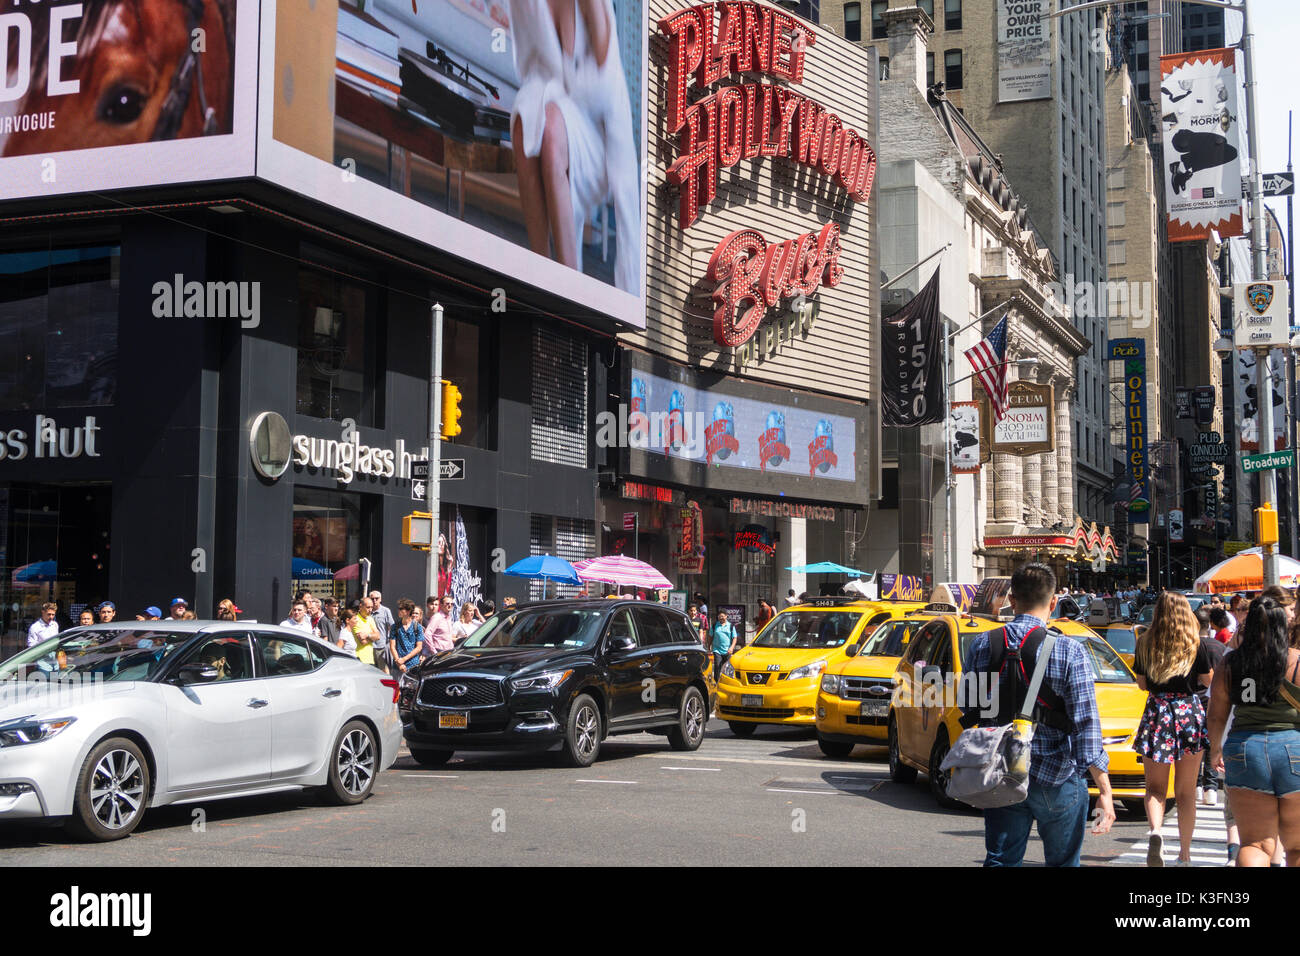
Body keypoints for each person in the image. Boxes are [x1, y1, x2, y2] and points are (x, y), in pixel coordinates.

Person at [962, 562, 1115, 867]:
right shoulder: (1070, 651)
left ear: (1011, 600)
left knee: (1002, 861)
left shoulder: (983, 644)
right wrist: (1105, 791)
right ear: (1054, 602)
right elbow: (1086, 724)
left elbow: (969, 708)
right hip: (1057, 776)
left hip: (1002, 773)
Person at [509, 0, 640, 294]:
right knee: (524, 120)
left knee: (552, 125)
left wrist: (559, 95)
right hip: (559, 116)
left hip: (602, 144)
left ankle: (569, 286)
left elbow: (604, 92)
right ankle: (539, 273)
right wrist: (546, 97)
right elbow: (528, 71)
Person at [1207, 596, 1300, 867]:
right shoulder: (1296, 661)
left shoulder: (1232, 662)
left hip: (1245, 749)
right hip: (1293, 749)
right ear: (1284, 626)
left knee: (1255, 844)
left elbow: (1216, 714)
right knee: (1296, 847)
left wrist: (1215, 750)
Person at [1132, 592, 1213, 866]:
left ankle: (1156, 831)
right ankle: (1185, 853)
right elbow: (1207, 679)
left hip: (1158, 713)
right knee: (1187, 791)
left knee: (1155, 787)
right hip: (1187, 713)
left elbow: (1142, 684)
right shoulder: (1194, 643)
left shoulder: (1144, 642)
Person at [392, 599, 423, 676]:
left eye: (401, 609)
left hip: (413, 665)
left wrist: (404, 659)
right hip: (398, 664)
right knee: (397, 687)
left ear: (408, 611)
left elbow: (419, 647)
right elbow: (392, 646)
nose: (398, 611)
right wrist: (399, 663)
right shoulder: (395, 626)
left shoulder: (417, 627)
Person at [351, 597, 380, 668]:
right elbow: (363, 641)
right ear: (360, 606)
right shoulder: (355, 620)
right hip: (359, 658)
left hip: (370, 659)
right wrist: (373, 636)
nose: (370, 610)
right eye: (368, 607)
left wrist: (367, 634)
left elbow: (378, 636)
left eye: (371, 607)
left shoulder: (370, 619)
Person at [370, 590, 394, 670]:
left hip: (381, 647)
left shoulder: (385, 611)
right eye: (372, 598)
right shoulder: (367, 611)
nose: (374, 601)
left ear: (380, 599)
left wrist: (389, 643)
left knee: (383, 671)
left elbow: (392, 627)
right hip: (368, 646)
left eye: (377, 598)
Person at [711, 610, 736, 682]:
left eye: (722, 616)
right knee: (717, 665)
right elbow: (710, 636)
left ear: (726, 616)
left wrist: (731, 648)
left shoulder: (730, 626)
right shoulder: (714, 625)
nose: (721, 618)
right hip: (717, 650)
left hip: (727, 650)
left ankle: (726, 682)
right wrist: (709, 645)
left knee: (727, 668)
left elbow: (734, 638)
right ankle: (717, 682)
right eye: (719, 616)